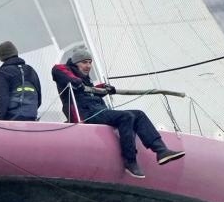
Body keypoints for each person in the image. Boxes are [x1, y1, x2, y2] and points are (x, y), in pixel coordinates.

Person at [52, 44, 186, 179]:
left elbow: (91, 91)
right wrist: (77, 82)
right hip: (86, 114)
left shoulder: (85, 79)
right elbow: (61, 73)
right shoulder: (63, 70)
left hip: (98, 110)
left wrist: (104, 88)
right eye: (84, 62)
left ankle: (161, 150)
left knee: (138, 114)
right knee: (126, 117)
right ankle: (130, 161)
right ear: (75, 63)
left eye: (89, 62)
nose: (88, 66)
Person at [0, 40, 44, 122]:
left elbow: (3, 101)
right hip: (31, 116)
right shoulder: (31, 70)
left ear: (1, 57)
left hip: (12, 118)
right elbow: (39, 99)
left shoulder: (2, 73)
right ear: (16, 52)